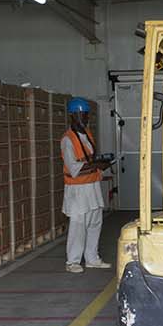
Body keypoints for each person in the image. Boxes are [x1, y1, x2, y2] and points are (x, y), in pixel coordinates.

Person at [61, 97, 111, 273]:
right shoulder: (68, 140)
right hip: (78, 190)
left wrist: (101, 165)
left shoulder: (87, 135)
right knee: (78, 226)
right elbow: (74, 168)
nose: (85, 118)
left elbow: (90, 159)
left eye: (86, 115)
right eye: (82, 115)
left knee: (95, 223)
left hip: (92, 187)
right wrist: (96, 165)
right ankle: (73, 262)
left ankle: (92, 258)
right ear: (73, 116)